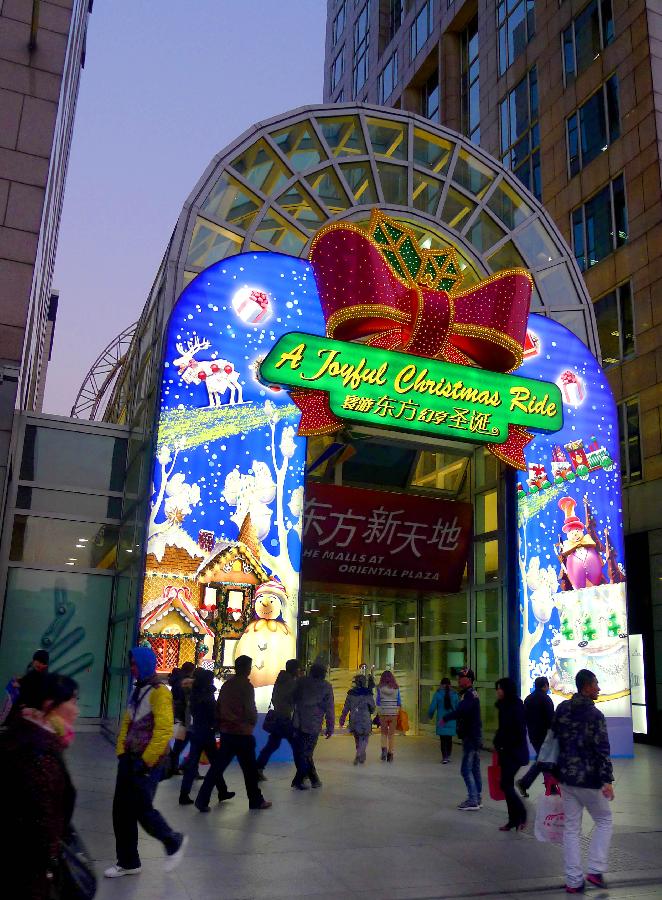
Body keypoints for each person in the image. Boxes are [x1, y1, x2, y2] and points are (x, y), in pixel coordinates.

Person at [105, 646, 187, 879]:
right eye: (130, 664)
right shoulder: (138, 690)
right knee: (121, 812)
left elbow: (163, 730)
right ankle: (128, 862)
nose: (132, 668)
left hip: (147, 763)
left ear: (144, 664)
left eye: (134, 664)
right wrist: (121, 751)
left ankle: (173, 841)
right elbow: (127, 723)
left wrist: (146, 761)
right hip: (129, 759)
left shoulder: (160, 692)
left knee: (141, 809)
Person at [0, 670, 79, 899]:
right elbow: (40, 821)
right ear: (49, 704)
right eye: (72, 701)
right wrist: (50, 863)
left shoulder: (26, 735)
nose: (76, 709)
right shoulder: (38, 753)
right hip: (26, 871)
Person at [553, 669, 614, 894]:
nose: (599, 688)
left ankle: (573, 880)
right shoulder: (594, 715)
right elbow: (602, 749)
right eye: (596, 684)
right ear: (587, 687)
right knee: (604, 819)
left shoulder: (562, 709)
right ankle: (596, 870)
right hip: (589, 779)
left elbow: (553, 740)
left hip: (567, 778)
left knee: (571, 829)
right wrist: (607, 780)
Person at [195, 655, 271, 811]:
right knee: (249, 770)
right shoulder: (246, 686)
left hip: (227, 733)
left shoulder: (227, 685)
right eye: (249, 667)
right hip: (242, 733)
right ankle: (255, 800)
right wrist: (252, 722)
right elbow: (249, 710)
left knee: (217, 768)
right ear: (246, 668)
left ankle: (202, 800)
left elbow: (219, 706)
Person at [179, 668, 235, 806]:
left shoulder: (194, 693)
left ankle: (184, 794)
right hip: (207, 733)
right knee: (216, 764)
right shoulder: (207, 694)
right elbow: (213, 713)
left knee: (193, 764)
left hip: (196, 731)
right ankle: (222, 791)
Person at [440, 667, 483, 810]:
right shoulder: (469, 694)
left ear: (469, 680)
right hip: (473, 736)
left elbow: (461, 711)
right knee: (475, 768)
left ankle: (473, 800)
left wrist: (446, 718)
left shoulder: (469, 695)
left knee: (466, 769)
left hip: (470, 737)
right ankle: (477, 797)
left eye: (461, 677)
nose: (458, 680)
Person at [291, 661, 334, 789]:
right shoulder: (326, 687)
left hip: (298, 721)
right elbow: (329, 708)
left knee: (301, 752)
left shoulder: (301, 682)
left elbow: (293, 698)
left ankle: (313, 779)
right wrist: (330, 726)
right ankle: (300, 780)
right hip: (314, 724)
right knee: (307, 753)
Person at [493, 677, 529, 831]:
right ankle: (513, 819)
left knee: (505, 784)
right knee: (506, 784)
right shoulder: (503, 706)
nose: (497, 691)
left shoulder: (516, 706)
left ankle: (522, 813)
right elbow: (502, 729)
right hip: (506, 751)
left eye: (500, 688)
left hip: (514, 752)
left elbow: (518, 731)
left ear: (506, 689)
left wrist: (505, 743)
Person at [256, 658, 299, 778]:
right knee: (297, 746)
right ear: (295, 669)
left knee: (273, 744)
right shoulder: (290, 682)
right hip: (285, 718)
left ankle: (258, 768)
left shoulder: (281, 680)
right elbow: (293, 698)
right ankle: (303, 774)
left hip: (278, 717)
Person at [516, 675, 555, 797]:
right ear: (545, 686)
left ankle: (527, 783)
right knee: (544, 760)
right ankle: (549, 787)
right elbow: (551, 719)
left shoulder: (528, 699)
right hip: (546, 736)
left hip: (533, 735)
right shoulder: (546, 699)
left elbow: (524, 717)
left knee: (542, 760)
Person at [0, 649, 50, 725]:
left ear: (45, 665)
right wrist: (20, 681)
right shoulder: (34, 672)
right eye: (36, 661)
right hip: (25, 705)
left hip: (30, 707)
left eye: (41, 662)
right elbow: (28, 680)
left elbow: (35, 689)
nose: (38, 664)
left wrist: (20, 685)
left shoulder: (43, 676)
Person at [339, 673, 375, 764]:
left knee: (357, 738)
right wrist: (371, 711)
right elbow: (373, 707)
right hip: (365, 718)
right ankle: (360, 753)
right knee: (365, 737)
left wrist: (342, 719)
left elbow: (346, 708)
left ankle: (359, 752)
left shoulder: (351, 694)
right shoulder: (368, 693)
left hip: (354, 719)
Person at [170, 660, 195, 772]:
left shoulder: (176, 680)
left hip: (178, 714)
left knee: (180, 741)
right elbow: (187, 699)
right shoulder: (186, 682)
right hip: (185, 715)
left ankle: (174, 765)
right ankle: (174, 764)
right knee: (185, 740)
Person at [428, 677, 459, 763]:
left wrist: (430, 716)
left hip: (442, 721)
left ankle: (444, 757)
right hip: (452, 721)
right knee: (449, 739)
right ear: (450, 685)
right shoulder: (455, 694)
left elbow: (432, 708)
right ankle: (448, 755)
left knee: (443, 740)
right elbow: (458, 708)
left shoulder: (438, 694)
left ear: (441, 685)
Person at [376, 670, 400, 762]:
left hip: (383, 713)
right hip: (393, 714)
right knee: (391, 735)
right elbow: (399, 701)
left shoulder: (380, 688)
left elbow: (378, 701)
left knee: (383, 733)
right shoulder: (396, 688)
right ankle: (390, 754)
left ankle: (384, 750)